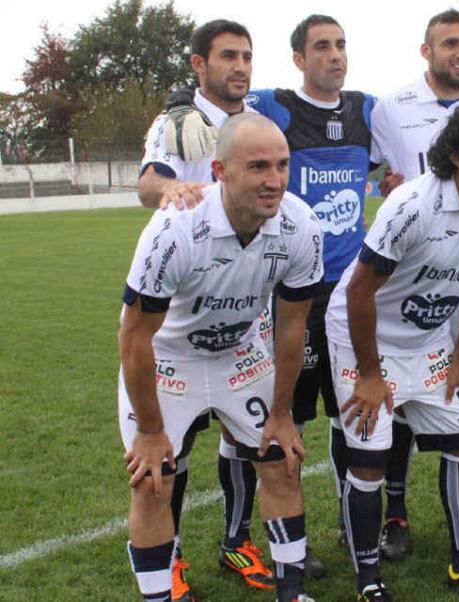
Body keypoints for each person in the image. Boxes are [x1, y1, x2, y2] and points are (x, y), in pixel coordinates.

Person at [119, 113, 323, 602]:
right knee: (153, 482)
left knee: (281, 461)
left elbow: (293, 325)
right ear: (220, 170)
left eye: (282, 165)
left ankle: (291, 593)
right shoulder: (175, 230)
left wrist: (282, 414)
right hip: (169, 358)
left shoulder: (300, 225)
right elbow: (135, 339)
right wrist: (150, 433)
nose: (273, 181)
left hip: (239, 353)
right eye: (257, 167)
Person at [325, 101, 459, 600]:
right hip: (364, 336)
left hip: (432, 340)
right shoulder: (412, 205)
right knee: (370, 457)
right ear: (458, 156)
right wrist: (370, 376)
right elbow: (359, 291)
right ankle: (368, 578)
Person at [135, 20, 277, 599]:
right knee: (180, 437)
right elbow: (148, 180)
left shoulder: (259, 118)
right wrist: (169, 191)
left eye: (246, 56)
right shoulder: (177, 122)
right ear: (199, 65)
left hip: (249, 296)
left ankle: (236, 541)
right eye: (227, 57)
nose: (240, 67)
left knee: (248, 434)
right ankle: (168, 556)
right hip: (184, 303)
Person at [366, 8, 459, 561]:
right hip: (408, 275)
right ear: (426, 50)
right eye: (450, 42)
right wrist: (386, 184)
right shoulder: (391, 106)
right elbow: (370, 169)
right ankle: (394, 512)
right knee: (395, 406)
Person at [240, 14, 377, 566]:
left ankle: (355, 526)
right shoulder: (275, 107)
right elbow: (218, 104)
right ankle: (285, 545)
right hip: (292, 295)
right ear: (299, 58)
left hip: (352, 297)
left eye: (341, 45)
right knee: (285, 421)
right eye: (322, 46)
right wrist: (180, 101)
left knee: (354, 417)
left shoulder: (367, 109)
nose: (335, 55)